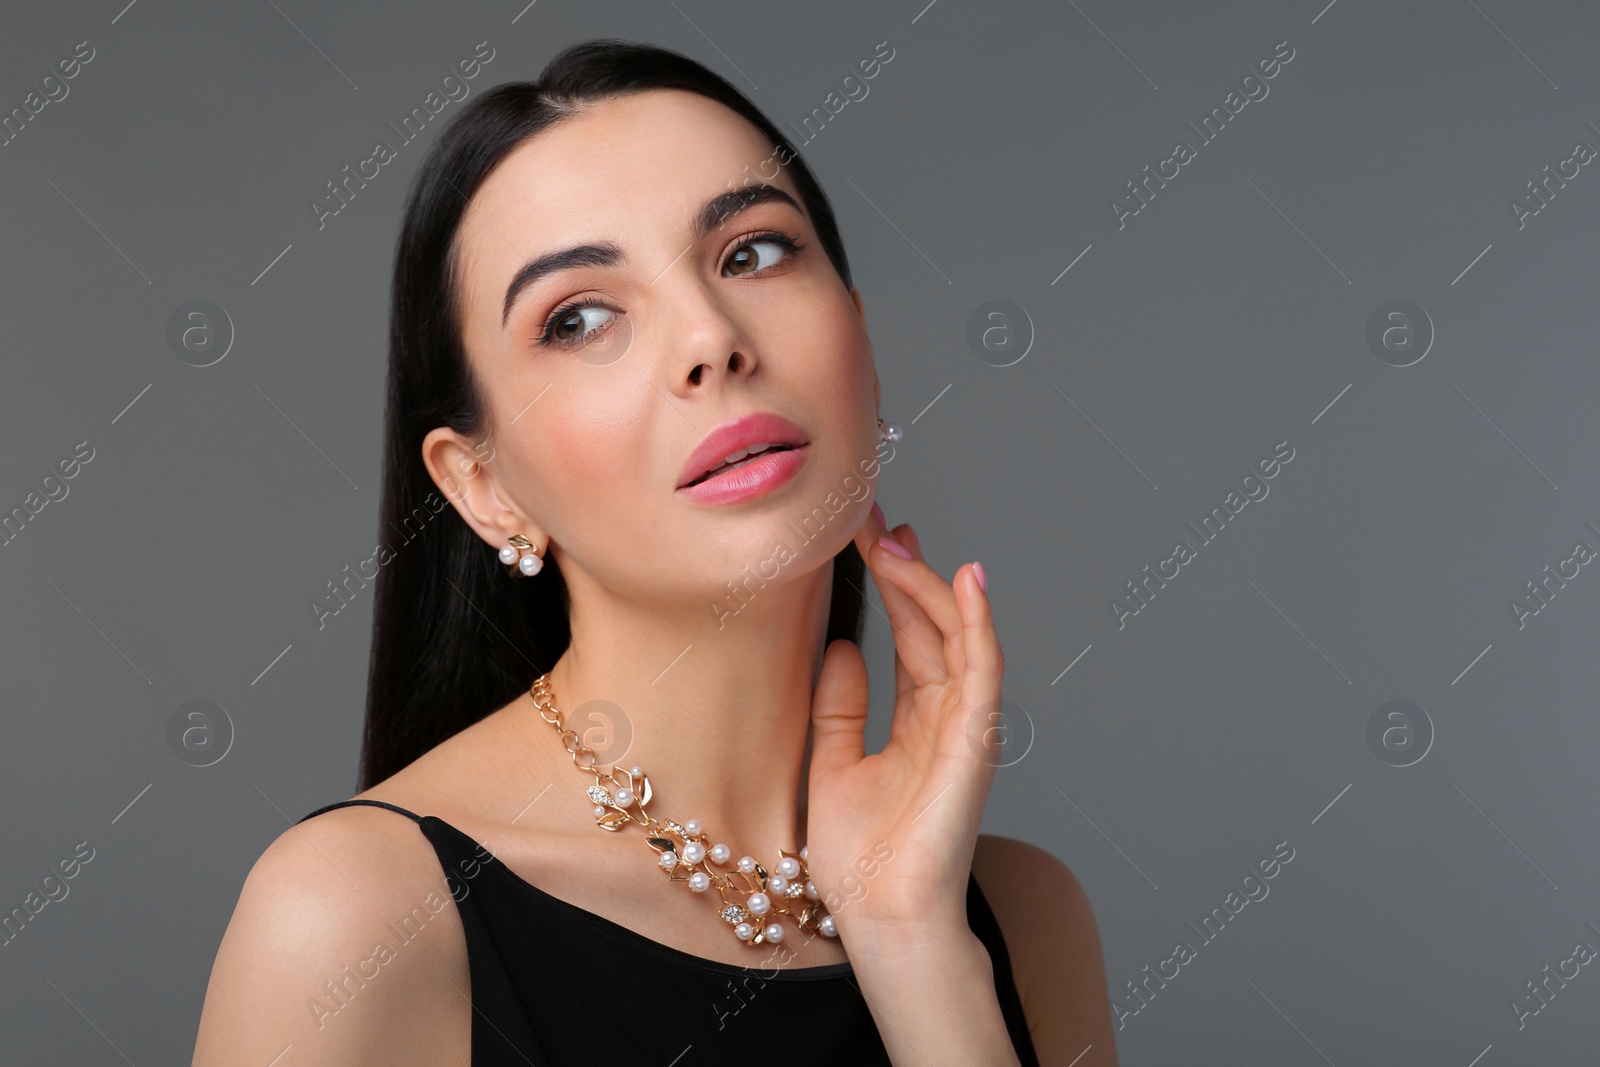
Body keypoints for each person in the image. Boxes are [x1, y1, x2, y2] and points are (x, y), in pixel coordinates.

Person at [193, 38, 1117, 1066]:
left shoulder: (1019, 917)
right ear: (484, 486)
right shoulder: (354, 918)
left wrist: (913, 944)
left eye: (751, 253)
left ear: (861, 342)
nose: (709, 339)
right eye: (579, 318)